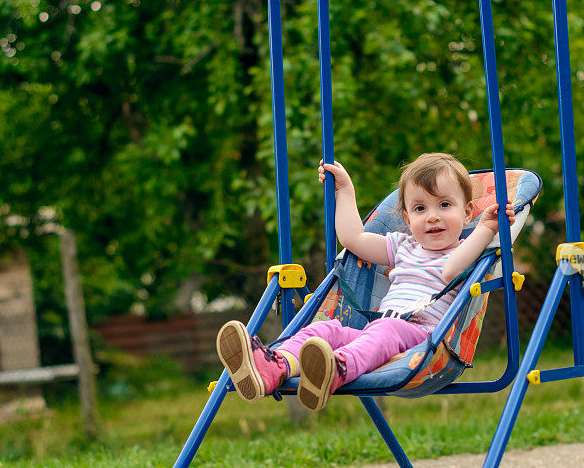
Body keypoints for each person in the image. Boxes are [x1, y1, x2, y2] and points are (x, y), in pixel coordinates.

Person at [216, 153, 514, 411]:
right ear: (408, 220)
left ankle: (335, 370)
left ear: (467, 213)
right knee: (325, 328)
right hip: (378, 333)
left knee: (386, 328)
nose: (432, 217)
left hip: (423, 342)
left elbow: (450, 271)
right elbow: (353, 239)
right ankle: (274, 368)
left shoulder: (468, 250)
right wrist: (345, 191)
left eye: (444, 205)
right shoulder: (403, 245)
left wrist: (485, 229)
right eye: (420, 209)